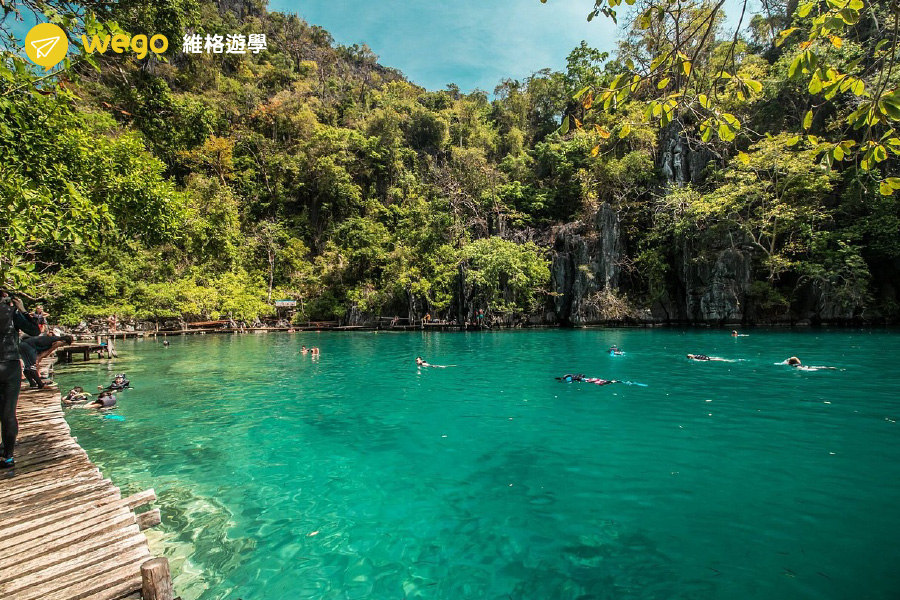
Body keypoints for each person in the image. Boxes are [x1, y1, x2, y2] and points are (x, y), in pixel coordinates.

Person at [0, 291, 41, 468]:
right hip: (9, 365)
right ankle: (8, 456)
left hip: (8, 363)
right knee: (8, 413)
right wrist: (22, 310)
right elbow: (34, 330)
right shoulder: (11, 313)